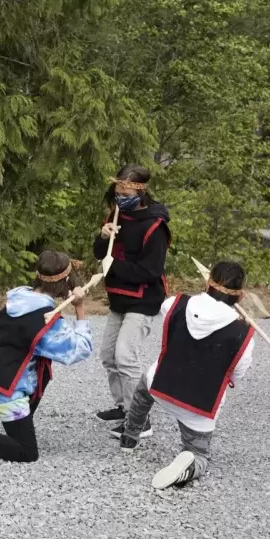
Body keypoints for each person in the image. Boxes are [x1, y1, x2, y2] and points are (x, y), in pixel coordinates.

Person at [0, 251, 93, 465]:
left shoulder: (17, 300)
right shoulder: (47, 321)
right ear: (65, 282)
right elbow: (81, 348)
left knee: (36, 385)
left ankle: (17, 424)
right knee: (27, 452)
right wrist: (79, 307)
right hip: (6, 389)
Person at [117, 261, 255, 489]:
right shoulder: (244, 333)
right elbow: (237, 374)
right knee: (200, 453)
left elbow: (170, 311)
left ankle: (130, 436)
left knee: (143, 389)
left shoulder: (176, 303)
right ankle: (191, 463)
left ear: (208, 282)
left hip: (160, 386)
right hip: (199, 406)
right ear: (240, 296)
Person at [93, 164, 171, 437]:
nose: (120, 194)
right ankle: (123, 406)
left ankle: (140, 419)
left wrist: (110, 266)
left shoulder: (155, 226)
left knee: (126, 357)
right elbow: (99, 253)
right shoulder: (117, 214)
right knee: (108, 357)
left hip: (144, 298)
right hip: (119, 297)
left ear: (140, 190)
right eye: (118, 189)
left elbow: (150, 271)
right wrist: (103, 238)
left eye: (125, 190)